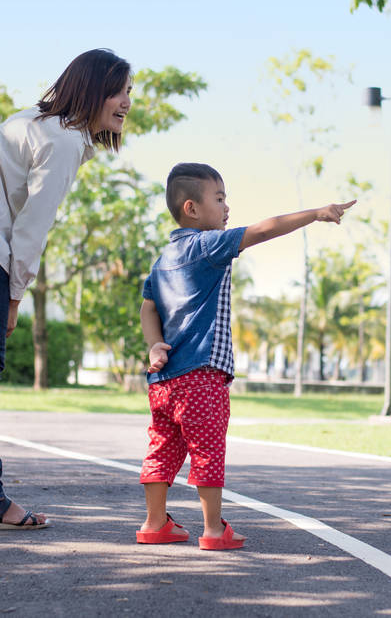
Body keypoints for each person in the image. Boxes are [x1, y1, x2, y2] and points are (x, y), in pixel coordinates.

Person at [0, 48, 133, 530]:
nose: (125, 102)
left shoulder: (36, 121)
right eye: (118, 91)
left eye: (128, 93)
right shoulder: (63, 141)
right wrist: (14, 296)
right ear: (92, 89)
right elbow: (32, 228)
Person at [137, 162, 354, 550]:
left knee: (162, 447)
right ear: (192, 209)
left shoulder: (164, 259)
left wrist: (154, 344)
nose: (226, 208)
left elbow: (147, 307)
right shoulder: (207, 245)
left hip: (163, 382)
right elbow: (264, 229)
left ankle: (155, 523)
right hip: (202, 376)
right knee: (207, 450)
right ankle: (213, 529)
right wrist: (316, 213)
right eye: (219, 199)